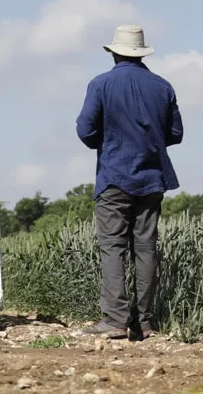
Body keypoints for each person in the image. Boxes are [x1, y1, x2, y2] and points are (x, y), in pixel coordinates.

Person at [75, 24, 184, 341]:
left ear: (114, 52)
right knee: (146, 248)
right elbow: (175, 134)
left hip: (114, 176)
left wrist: (106, 142)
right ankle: (144, 322)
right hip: (152, 178)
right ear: (141, 52)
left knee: (113, 248)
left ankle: (116, 320)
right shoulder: (162, 87)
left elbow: (85, 129)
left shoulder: (101, 84)